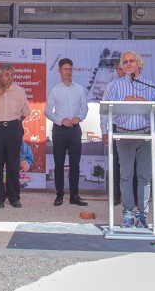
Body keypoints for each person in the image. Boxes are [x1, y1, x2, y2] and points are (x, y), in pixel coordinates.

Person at [101, 50, 155, 229]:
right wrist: (123, 100)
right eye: (125, 62)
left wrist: (146, 102)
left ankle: (142, 215)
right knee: (125, 176)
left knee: (144, 177)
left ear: (139, 64)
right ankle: (127, 214)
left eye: (131, 61)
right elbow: (108, 109)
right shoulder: (116, 86)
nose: (128, 64)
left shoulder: (150, 85)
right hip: (124, 135)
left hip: (144, 135)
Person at [0, 63, 30, 208]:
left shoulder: (19, 91)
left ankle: (14, 197)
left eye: (12, 75)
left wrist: (12, 123)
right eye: (7, 74)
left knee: (13, 163)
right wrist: (0, 91)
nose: (10, 77)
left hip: (13, 129)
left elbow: (24, 113)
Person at [45, 57, 89, 206]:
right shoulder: (55, 90)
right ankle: (59, 195)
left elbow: (85, 108)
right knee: (59, 163)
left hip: (75, 130)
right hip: (59, 130)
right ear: (59, 70)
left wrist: (79, 117)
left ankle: (74, 196)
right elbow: (47, 111)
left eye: (70, 69)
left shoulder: (79, 89)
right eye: (65, 69)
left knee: (75, 164)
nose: (68, 72)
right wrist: (60, 120)